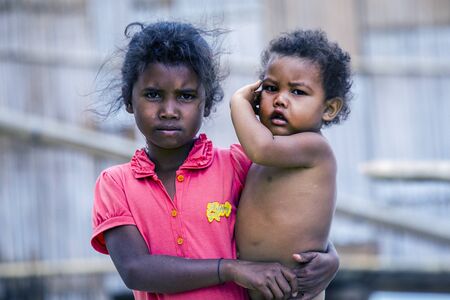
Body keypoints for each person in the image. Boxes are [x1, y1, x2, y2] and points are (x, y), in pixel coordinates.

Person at [91, 21, 339, 300]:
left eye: (186, 96)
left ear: (206, 104)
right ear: (129, 100)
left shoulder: (237, 166)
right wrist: (230, 269)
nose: (169, 111)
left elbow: (289, 222)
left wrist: (330, 257)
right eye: (153, 95)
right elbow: (136, 270)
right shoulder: (116, 185)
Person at [231, 29, 352, 300]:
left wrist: (239, 102)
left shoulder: (314, 148)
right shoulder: (273, 154)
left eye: (297, 91)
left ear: (329, 109)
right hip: (259, 287)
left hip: (295, 290)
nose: (280, 99)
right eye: (271, 88)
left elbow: (260, 147)